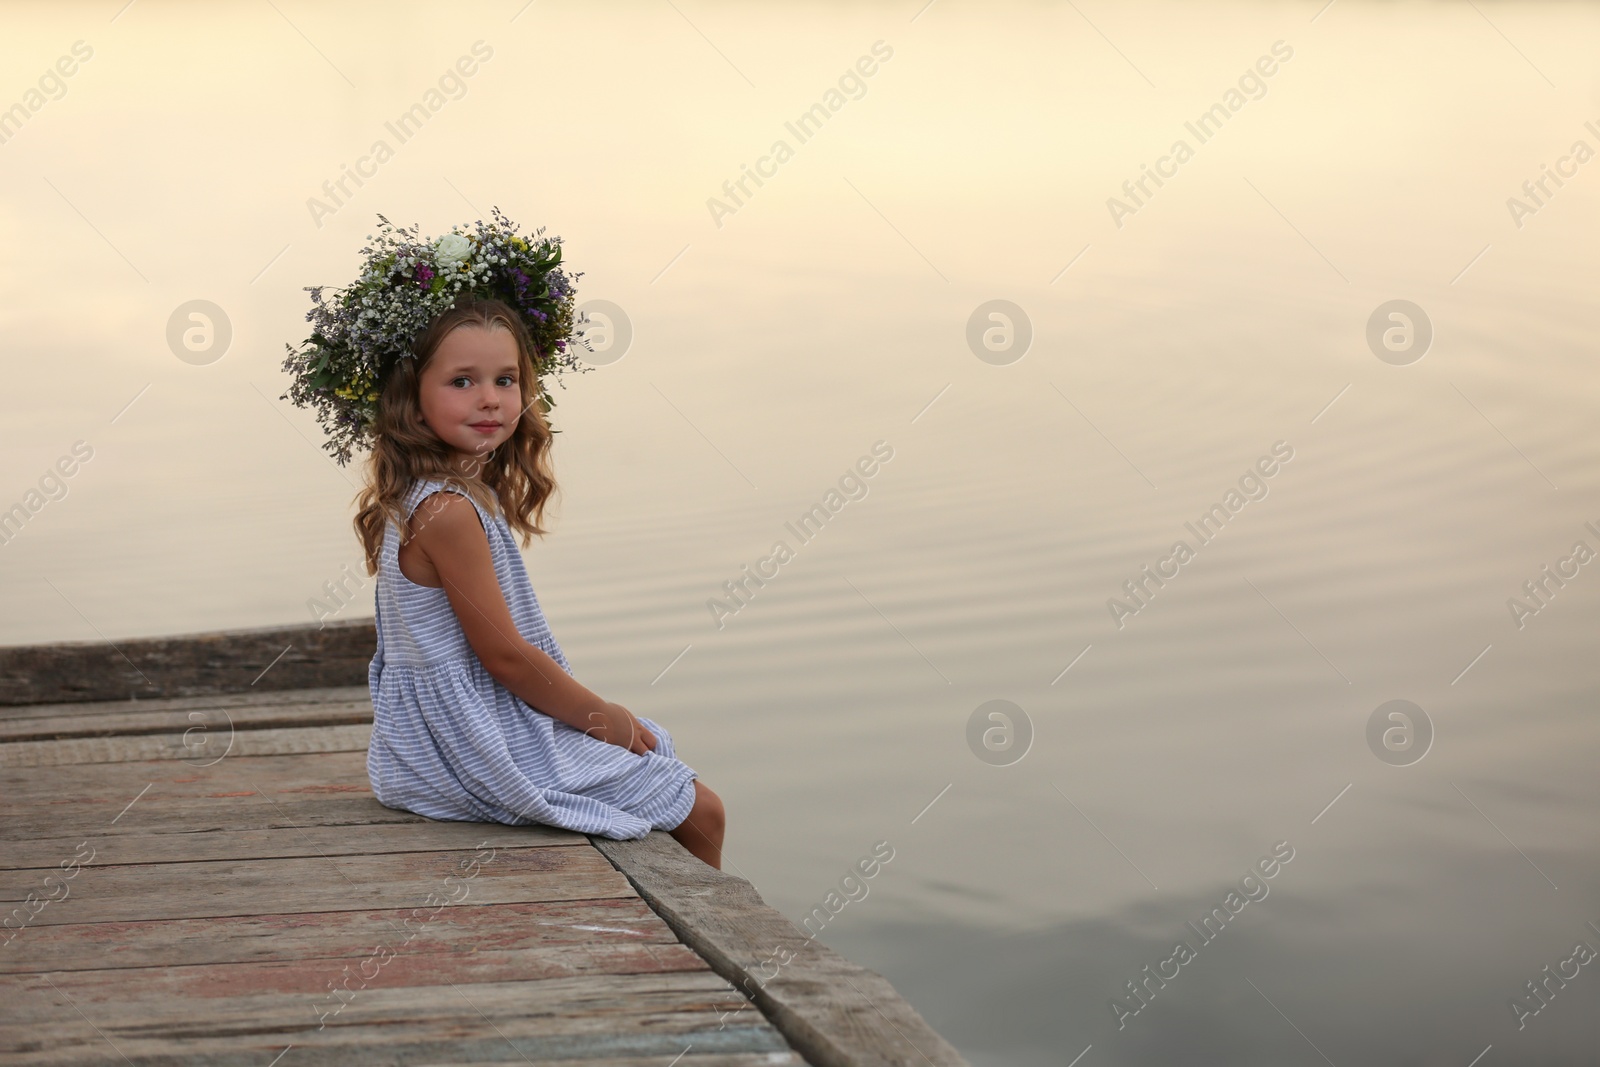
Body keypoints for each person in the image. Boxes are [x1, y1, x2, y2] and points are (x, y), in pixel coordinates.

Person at [281, 212, 724, 868]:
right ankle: (712, 950)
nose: (489, 399)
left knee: (654, 753)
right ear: (412, 394)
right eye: (462, 382)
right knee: (701, 805)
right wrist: (604, 716)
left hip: (444, 735)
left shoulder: (440, 494)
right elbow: (507, 659)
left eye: (504, 379)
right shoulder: (449, 512)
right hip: (469, 744)